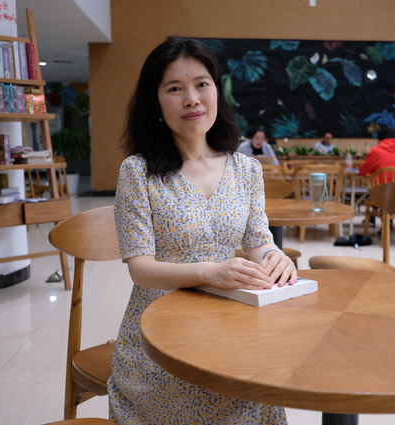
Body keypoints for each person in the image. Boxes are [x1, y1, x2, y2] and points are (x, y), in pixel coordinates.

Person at [109, 36, 296, 424]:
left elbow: (258, 240)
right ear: (156, 102)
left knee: (259, 389)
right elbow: (140, 268)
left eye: (201, 84)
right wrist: (211, 272)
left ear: (216, 92)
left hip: (230, 322)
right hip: (160, 335)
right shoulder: (138, 172)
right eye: (174, 89)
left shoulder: (246, 169)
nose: (191, 99)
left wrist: (275, 257)